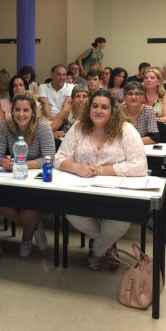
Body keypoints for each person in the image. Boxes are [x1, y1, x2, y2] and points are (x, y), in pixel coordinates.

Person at [54, 90, 147, 271]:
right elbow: (59, 158)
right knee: (70, 211)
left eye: (104, 107)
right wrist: (77, 167)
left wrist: (102, 170)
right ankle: (107, 245)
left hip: (116, 192)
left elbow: (140, 166)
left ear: (113, 110)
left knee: (121, 220)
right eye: (95, 106)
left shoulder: (126, 130)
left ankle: (97, 250)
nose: (98, 111)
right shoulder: (79, 128)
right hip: (83, 190)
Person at [0, 91, 56, 257]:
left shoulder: (42, 126)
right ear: (12, 111)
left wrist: (21, 164)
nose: (21, 114)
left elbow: (49, 158)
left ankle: (26, 239)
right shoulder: (6, 126)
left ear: (33, 111)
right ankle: (35, 226)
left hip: (36, 180)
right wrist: (3, 162)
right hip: (13, 178)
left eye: (26, 110)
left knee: (29, 209)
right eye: (17, 110)